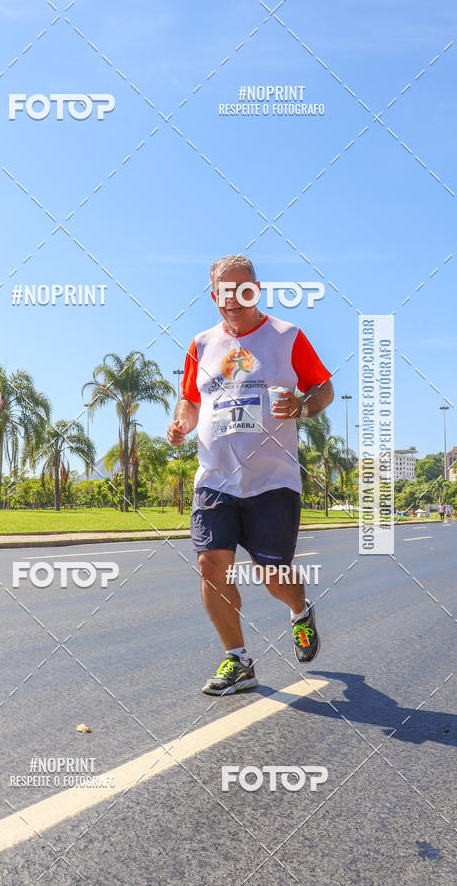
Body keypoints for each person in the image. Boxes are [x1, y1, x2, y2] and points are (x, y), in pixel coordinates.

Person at [167, 255, 334, 695]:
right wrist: (182, 422)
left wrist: (302, 405)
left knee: (273, 575)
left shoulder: (287, 337)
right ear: (214, 297)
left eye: (243, 290)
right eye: (225, 291)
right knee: (210, 565)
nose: (234, 298)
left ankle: (299, 611)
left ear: (255, 290)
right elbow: (189, 400)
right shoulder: (201, 345)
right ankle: (237, 660)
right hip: (215, 477)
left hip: (271, 480)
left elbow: (324, 388)